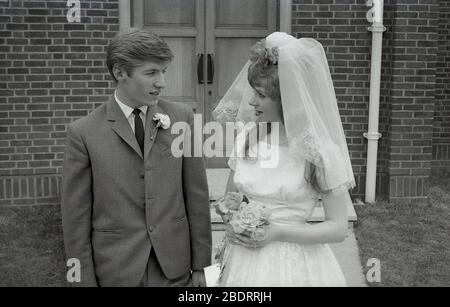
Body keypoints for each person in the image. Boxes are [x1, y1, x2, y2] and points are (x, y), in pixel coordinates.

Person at [61, 28, 212, 287]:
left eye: (163, 71)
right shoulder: (83, 133)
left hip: (174, 271)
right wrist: (81, 282)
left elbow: (196, 196)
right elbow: (75, 221)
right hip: (116, 272)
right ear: (120, 73)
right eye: (151, 72)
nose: (162, 82)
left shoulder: (182, 118)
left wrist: (201, 266)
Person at [213, 32, 355, 286]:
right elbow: (230, 198)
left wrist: (276, 232)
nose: (252, 101)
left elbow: (338, 228)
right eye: (252, 91)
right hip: (243, 260)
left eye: (261, 95)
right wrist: (232, 218)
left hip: (295, 263)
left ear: (286, 99)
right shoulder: (248, 137)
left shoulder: (320, 151)